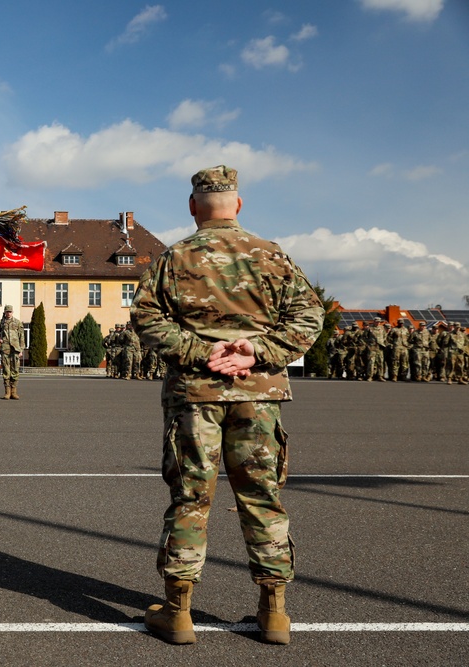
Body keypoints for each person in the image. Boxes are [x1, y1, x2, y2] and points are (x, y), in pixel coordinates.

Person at [131, 165, 324, 646]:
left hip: (195, 396)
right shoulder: (272, 254)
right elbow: (309, 315)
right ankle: (274, 612)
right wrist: (256, 351)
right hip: (258, 396)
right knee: (262, 497)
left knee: (191, 499)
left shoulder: (174, 257)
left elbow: (146, 317)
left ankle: (177, 613)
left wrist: (200, 352)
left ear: (194, 207)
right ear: (238, 206)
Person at [0, 304, 25, 399]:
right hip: (5, 349)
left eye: (10, 312)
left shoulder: (17, 323)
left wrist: (21, 349)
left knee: (15, 370)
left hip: (15, 349)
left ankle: (14, 391)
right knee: (6, 371)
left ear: (12, 312)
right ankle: (7, 392)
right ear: (5, 312)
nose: (9, 313)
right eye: (7, 312)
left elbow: (21, 337)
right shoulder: (1, 323)